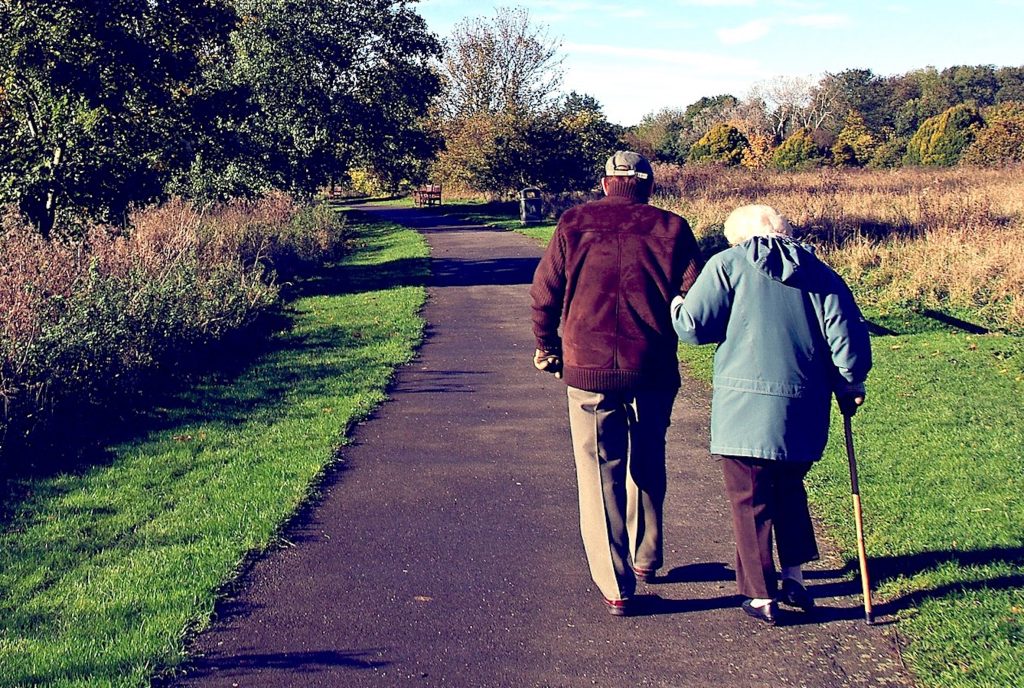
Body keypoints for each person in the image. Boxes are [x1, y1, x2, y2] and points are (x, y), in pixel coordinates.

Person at [670, 204, 872, 625]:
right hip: (804, 407)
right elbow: (848, 344)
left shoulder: (727, 265)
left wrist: (675, 302)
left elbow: (693, 327)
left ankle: (761, 595)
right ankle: (794, 576)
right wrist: (851, 382)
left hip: (743, 409)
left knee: (749, 498)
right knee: (788, 488)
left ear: (738, 238)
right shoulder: (821, 273)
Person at [530, 151, 703, 616]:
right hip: (652, 365)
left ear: (606, 183)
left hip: (588, 367)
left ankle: (616, 584)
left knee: (598, 471)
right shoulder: (672, 228)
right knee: (649, 457)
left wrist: (547, 345)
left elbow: (544, 291)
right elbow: (694, 296)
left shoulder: (574, 222)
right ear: (648, 184)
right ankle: (646, 556)